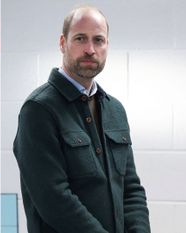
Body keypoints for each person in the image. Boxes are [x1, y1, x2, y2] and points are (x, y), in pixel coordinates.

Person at [13, 6, 151, 233]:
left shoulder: (115, 109)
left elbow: (131, 188)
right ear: (62, 43)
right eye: (80, 39)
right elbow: (53, 198)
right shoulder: (38, 109)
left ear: (107, 45)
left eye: (98, 40)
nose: (90, 49)